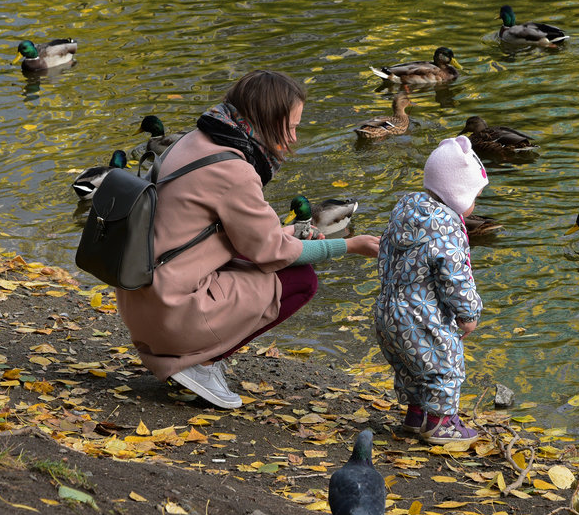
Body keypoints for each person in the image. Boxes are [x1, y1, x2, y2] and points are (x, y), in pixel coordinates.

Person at [117, 71, 380, 409]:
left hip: (139, 298)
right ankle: (200, 363)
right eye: (292, 127)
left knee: (273, 262)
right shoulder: (234, 170)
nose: (296, 138)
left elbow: (223, 235)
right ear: (268, 121)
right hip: (169, 313)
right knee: (300, 280)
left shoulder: (193, 140)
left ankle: (193, 356)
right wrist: (349, 245)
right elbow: (272, 253)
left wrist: (291, 232)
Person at [374, 135, 487, 446]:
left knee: (413, 365)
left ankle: (416, 416)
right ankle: (440, 424)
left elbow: (384, 252)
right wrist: (468, 313)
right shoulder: (446, 226)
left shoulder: (404, 212)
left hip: (388, 310)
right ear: (458, 192)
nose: (476, 202)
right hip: (422, 314)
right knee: (445, 367)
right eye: (474, 194)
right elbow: (455, 274)